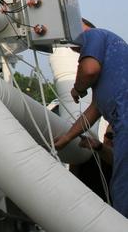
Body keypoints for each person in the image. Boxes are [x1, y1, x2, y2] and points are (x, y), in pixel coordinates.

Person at [53, 24, 128, 217]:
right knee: (121, 185)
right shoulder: (111, 65)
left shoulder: (93, 35)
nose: (76, 52)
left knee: (123, 189)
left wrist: (78, 88)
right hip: (122, 126)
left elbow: (89, 70)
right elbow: (94, 109)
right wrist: (68, 137)